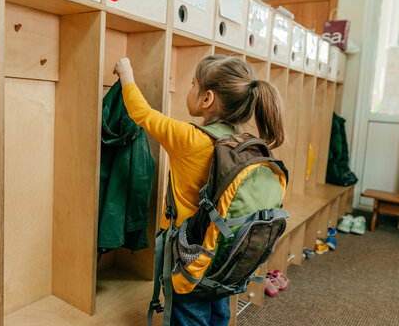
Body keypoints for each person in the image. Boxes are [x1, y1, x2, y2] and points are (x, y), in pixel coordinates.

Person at [114, 54, 285, 326]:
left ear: (207, 98)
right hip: (226, 258)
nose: (189, 89)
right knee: (218, 312)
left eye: (192, 84)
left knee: (190, 315)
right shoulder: (246, 144)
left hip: (191, 256)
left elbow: (142, 113)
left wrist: (126, 74)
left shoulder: (188, 138)